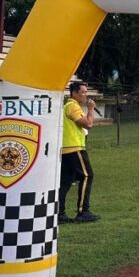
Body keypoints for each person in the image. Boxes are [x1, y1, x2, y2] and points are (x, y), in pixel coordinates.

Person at [57, 82, 101, 223]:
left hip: (66, 148)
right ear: (74, 93)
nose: (85, 95)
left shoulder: (67, 106)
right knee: (87, 175)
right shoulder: (73, 106)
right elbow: (88, 124)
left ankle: (59, 213)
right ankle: (83, 211)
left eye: (86, 92)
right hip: (74, 148)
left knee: (66, 180)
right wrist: (91, 109)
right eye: (83, 92)